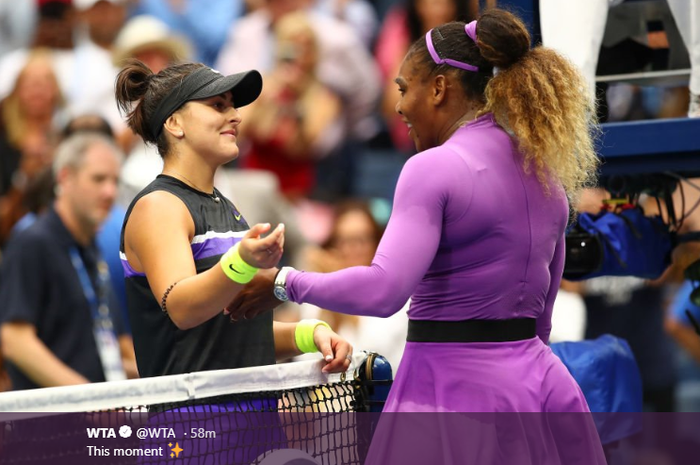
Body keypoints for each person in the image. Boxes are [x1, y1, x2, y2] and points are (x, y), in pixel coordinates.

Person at [229, 8, 606, 463]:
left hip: (449, 396)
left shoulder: (431, 169)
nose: (400, 107)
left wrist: (282, 282)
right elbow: (542, 318)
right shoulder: (545, 171)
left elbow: (385, 290)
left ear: (440, 88)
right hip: (542, 391)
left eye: (404, 89)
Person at [113, 60, 352, 382]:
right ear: (174, 123)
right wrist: (241, 262)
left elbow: (235, 336)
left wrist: (309, 334)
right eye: (217, 105)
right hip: (191, 423)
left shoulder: (225, 207)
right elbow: (182, 307)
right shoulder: (159, 206)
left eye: (232, 106)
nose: (236, 116)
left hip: (253, 420)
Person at [0, 132, 137, 389]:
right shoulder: (32, 242)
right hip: (49, 423)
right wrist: (87, 399)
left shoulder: (90, 248)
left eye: (115, 181)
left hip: (96, 418)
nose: (109, 191)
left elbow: (114, 346)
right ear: (65, 177)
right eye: (98, 179)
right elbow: (16, 341)